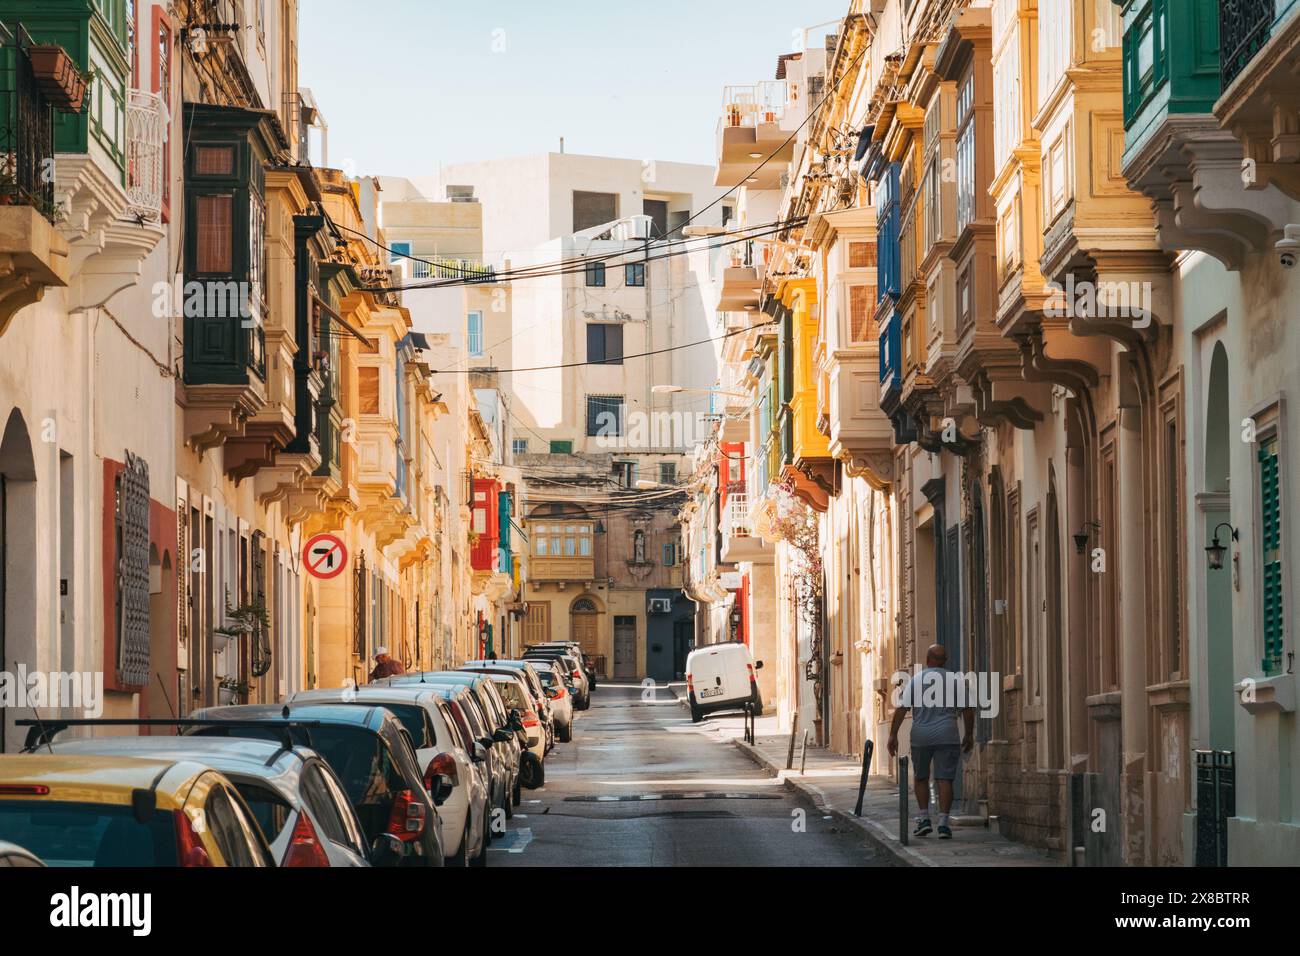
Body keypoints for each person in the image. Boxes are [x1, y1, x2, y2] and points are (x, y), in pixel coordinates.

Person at [887, 644, 975, 839]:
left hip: (921, 735)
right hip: (947, 734)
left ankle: (924, 818)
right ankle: (943, 824)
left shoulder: (916, 680)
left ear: (927, 659)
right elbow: (968, 709)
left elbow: (902, 709)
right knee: (945, 780)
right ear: (945, 660)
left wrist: (893, 735)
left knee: (921, 777)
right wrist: (968, 734)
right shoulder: (955, 680)